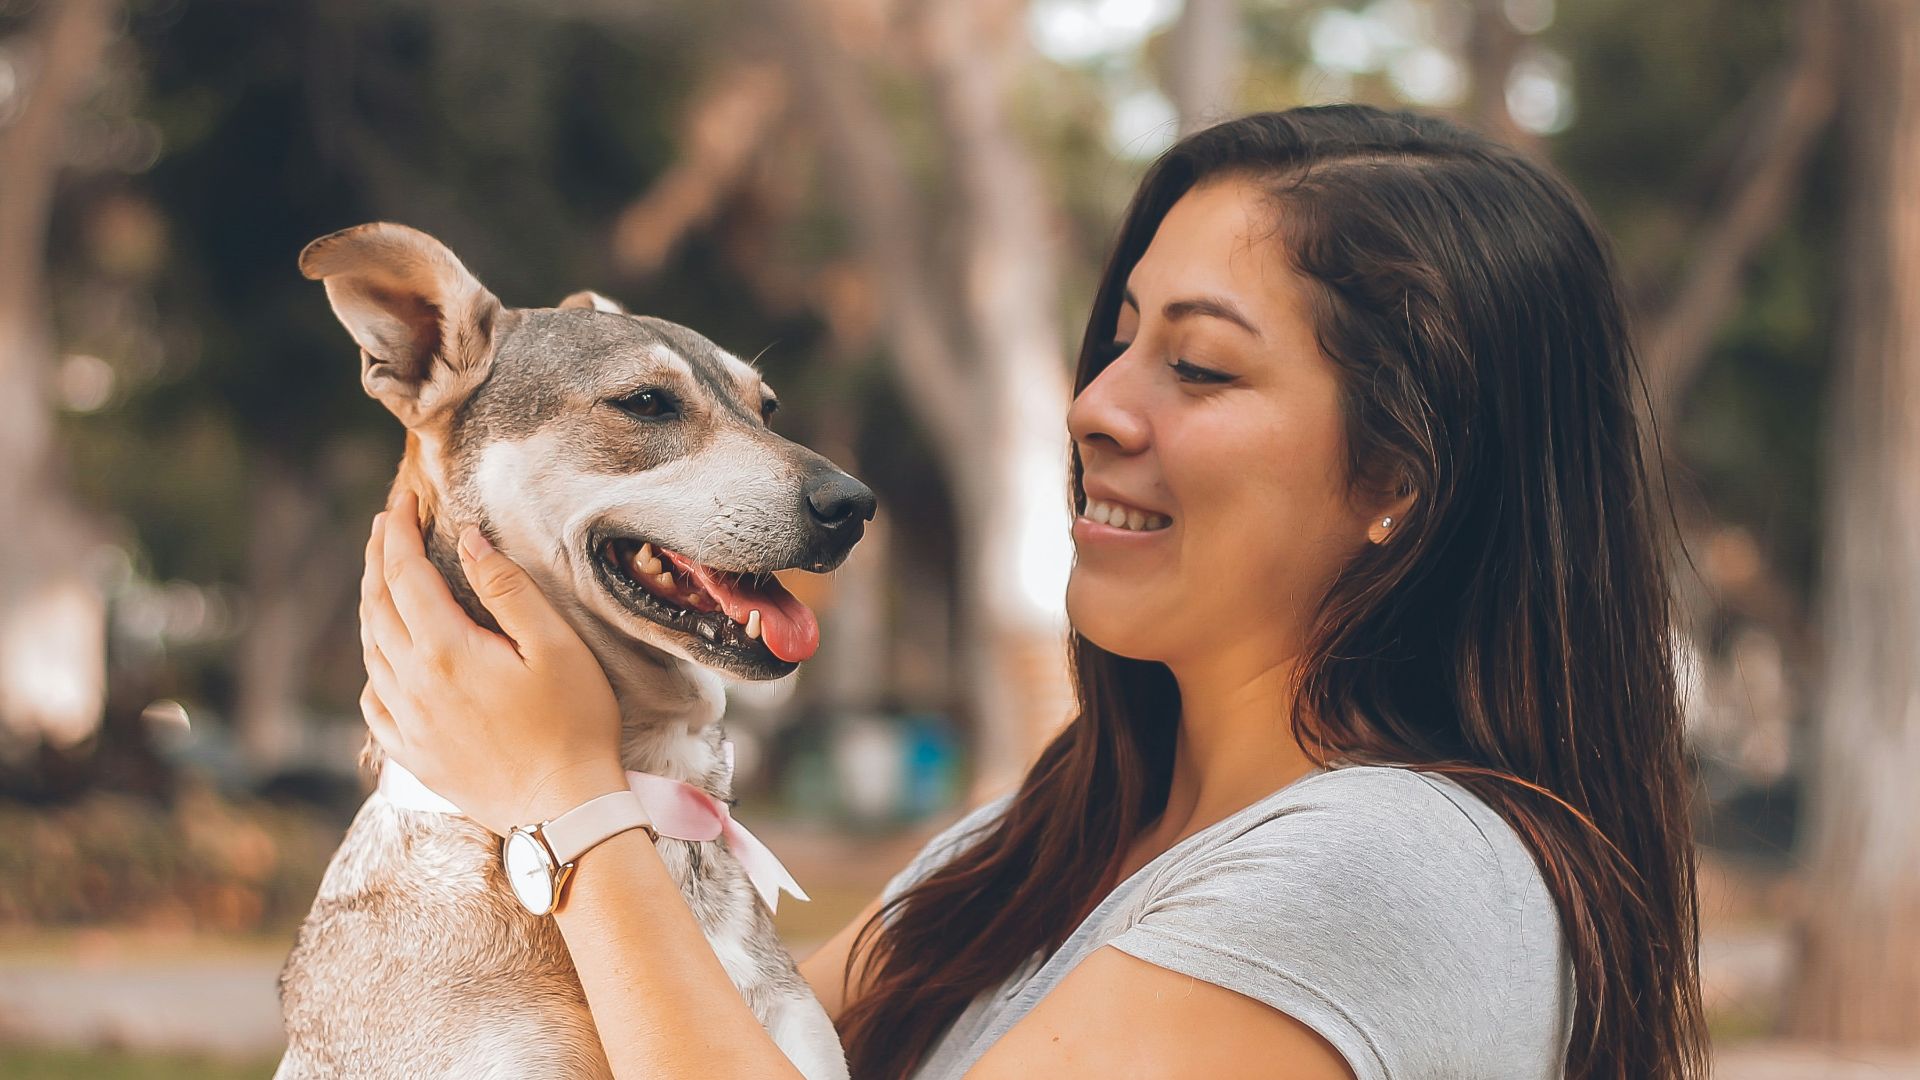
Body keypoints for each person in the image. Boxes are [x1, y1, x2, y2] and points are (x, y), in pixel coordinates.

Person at [357, 104, 1708, 1080]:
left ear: (1399, 479)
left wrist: (570, 807)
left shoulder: (1389, 871)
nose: (1095, 405)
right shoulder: (1030, 847)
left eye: (1202, 366)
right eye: (1119, 338)